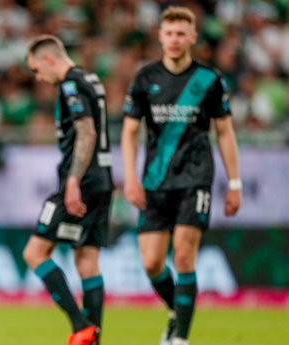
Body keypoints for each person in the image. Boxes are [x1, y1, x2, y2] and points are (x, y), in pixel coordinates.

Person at [121, 7, 242, 345]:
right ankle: (180, 311)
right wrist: (130, 177)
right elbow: (130, 132)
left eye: (181, 33)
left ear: (192, 37)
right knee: (151, 263)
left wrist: (235, 183)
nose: (174, 39)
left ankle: (180, 338)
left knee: (184, 255)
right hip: (155, 180)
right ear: (160, 36)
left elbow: (226, 132)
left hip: (195, 177)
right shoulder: (145, 79)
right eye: (169, 33)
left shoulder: (209, 80)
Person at [24, 35, 114, 345]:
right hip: (102, 180)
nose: (39, 77)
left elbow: (86, 131)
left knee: (34, 252)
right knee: (87, 260)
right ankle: (94, 339)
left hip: (82, 181)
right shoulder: (91, 78)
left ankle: (81, 327)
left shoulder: (71, 84)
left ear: (49, 59)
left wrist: (73, 181)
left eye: (37, 69)